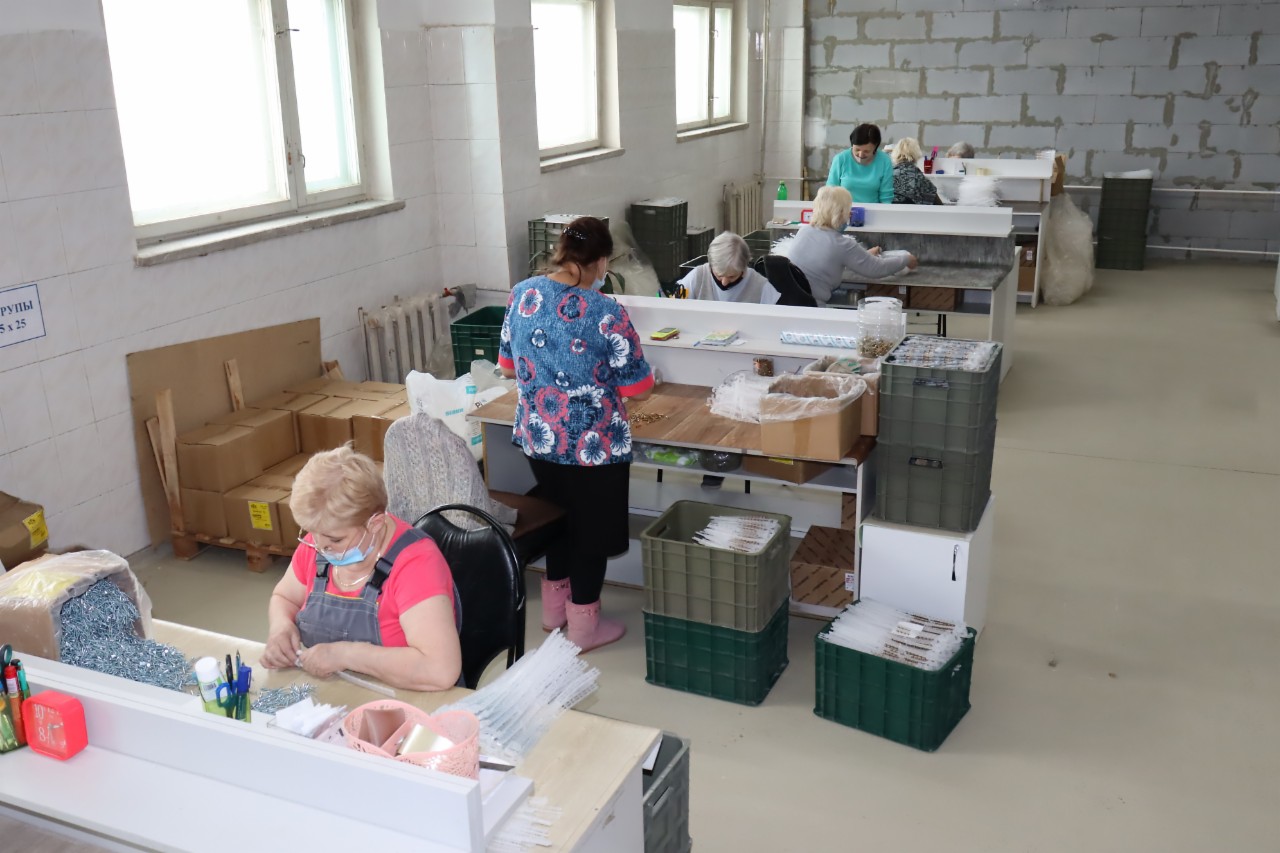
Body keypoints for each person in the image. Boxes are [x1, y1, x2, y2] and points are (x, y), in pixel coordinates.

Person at [498, 216, 654, 652]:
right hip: (593, 446)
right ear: (601, 261)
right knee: (591, 534)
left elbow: (508, 366)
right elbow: (639, 388)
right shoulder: (605, 311)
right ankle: (585, 629)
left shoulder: (523, 293)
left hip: (539, 438)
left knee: (559, 520)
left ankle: (554, 614)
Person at [261, 446, 462, 691]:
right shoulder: (320, 542)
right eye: (312, 533)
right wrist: (281, 626)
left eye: (335, 539)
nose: (320, 547)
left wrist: (345, 655)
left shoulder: (416, 565)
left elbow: (440, 671)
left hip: (406, 696)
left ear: (375, 523)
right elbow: (285, 597)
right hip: (337, 693)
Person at [785, 186, 917, 306]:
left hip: (785, 301)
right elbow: (876, 268)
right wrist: (906, 259)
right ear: (839, 213)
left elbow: (827, 260)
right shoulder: (842, 244)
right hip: (810, 306)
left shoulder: (804, 231)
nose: (850, 214)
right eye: (848, 209)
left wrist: (864, 255)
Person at [677, 232, 779, 304]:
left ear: (744, 268)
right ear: (711, 265)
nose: (724, 282)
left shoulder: (761, 286)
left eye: (731, 276)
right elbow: (676, 306)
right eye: (719, 275)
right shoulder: (696, 277)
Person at [826, 123, 893, 205]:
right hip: (843, 210)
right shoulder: (840, 159)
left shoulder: (884, 161)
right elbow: (830, 191)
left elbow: (886, 197)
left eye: (866, 151)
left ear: (875, 148)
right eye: (857, 150)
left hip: (874, 209)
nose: (861, 154)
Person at [891, 138, 943, 206]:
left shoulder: (889, 175)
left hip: (888, 212)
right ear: (916, 154)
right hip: (911, 212)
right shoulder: (919, 177)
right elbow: (939, 205)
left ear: (895, 153)